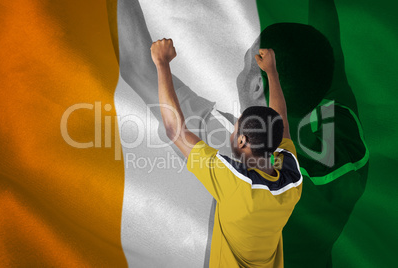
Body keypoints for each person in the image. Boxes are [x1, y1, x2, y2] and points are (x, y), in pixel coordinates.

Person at [114, 0, 368, 266]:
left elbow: (141, 69)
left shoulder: (235, 157)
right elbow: (330, 61)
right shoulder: (350, 145)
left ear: (259, 85)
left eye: (247, 60)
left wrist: (161, 61)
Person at [151, 40, 302, 267]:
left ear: (242, 140)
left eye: (235, 128)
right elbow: (281, 121)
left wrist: (161, 63)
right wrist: (271, 72)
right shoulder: (291, 178)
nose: (232, 131)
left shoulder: (234, 181)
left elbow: (175, 131)